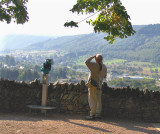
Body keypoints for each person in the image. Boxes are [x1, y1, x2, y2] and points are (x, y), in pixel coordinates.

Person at [85, 54, 107, 120]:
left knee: (92, 100)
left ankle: (92, 114)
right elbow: (105, 76)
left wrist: (92, 56)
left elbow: (86, 62)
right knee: (98, 100)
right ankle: (98, 114)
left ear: (96, 59)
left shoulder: (95, 65)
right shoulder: (104, 67)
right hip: (99, 85)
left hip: (93, 85)